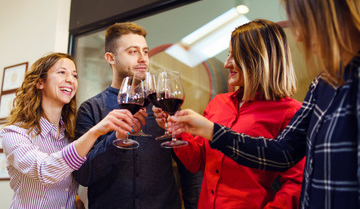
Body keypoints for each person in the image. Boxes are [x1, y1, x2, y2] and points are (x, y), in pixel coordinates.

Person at [170, 0, 360, 208]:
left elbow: (296, 181)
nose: (299, 35)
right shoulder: (322, 85)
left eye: (306, 19)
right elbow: (282, 152)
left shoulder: (291, 109)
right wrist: (204, 131)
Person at [155, 19, 305, 208]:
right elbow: (196, 162)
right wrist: (177, 130)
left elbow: (296, 184)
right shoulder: (219, 103)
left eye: (235, 56)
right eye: (228, 55)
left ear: (257, 58)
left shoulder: (290, 112)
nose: (226, 64)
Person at [73, 22, 202, 209]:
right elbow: (83, 175)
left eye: (145, 51)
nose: (143, 59)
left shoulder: (161, 106)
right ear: (111, 58)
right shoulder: (91, 109)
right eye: (133, 52)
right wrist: (115, 140)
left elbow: (190, 171)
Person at [0, 53, 143, 209]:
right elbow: (45, 170)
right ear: (40, 82)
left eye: (74, 75)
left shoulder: (71, 135)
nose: (70, 79)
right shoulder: (14, 134)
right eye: (62, 72)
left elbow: (80, 176)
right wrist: (95, 132)